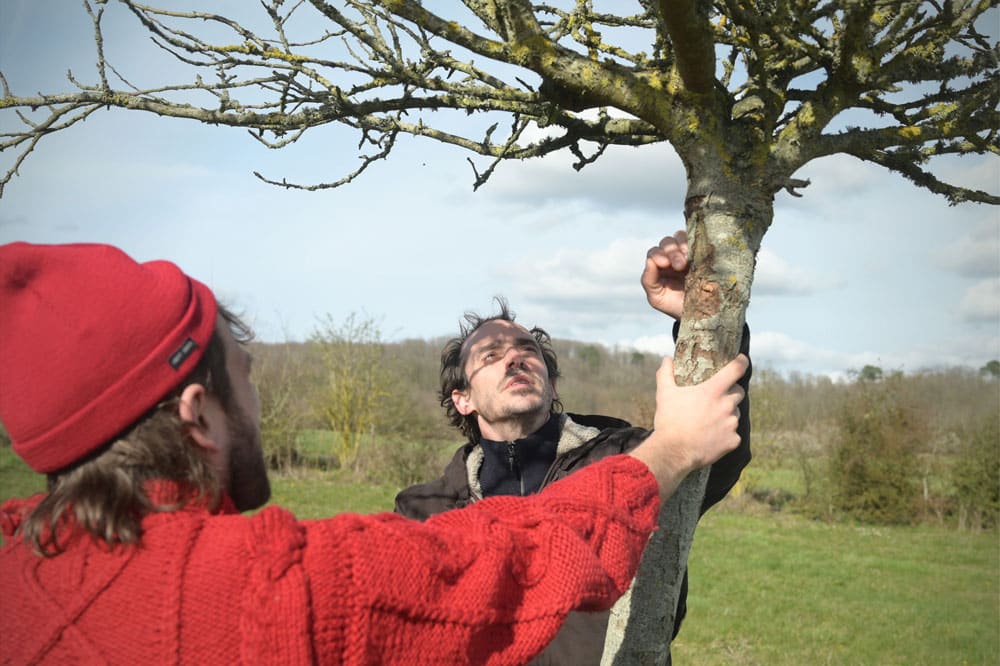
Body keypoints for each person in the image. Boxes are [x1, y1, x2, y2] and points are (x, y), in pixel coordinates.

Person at [0, 241, 749, 665]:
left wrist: (701, 330)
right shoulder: (313, 577)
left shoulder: (13, 576)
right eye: (247, 378)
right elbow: (504, 559)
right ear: (198, 414)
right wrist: (672, 446)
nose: (517, 358)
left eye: (529, 348)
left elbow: (716, 436)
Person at [394, 230, 752, 665]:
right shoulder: (424, 511)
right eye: (490, 356)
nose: (514, 359)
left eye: (528, 351)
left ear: (552, 382)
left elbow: (712, 453)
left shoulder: (627, 458)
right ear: (462, 399)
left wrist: (698, 316)